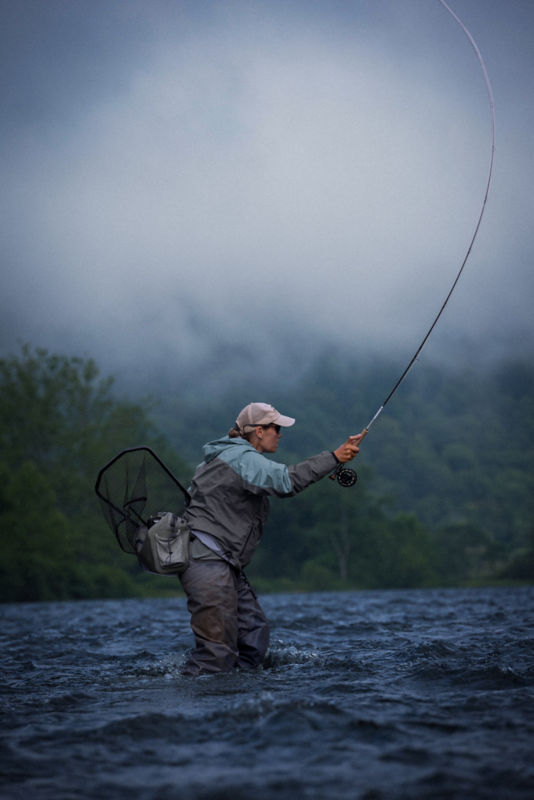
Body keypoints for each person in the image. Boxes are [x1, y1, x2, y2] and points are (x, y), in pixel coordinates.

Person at [180, 401, 362, 676]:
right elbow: (284, 481)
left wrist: (334, 460)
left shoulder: (224, 457)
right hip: (208, 562)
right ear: (258, 431)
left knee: (253, 637)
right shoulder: (241, 458)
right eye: (276, 428)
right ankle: (203, 707)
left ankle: (236, 699)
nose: (280, 433)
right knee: (215, 655)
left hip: (221, 562)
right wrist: (334, 458)